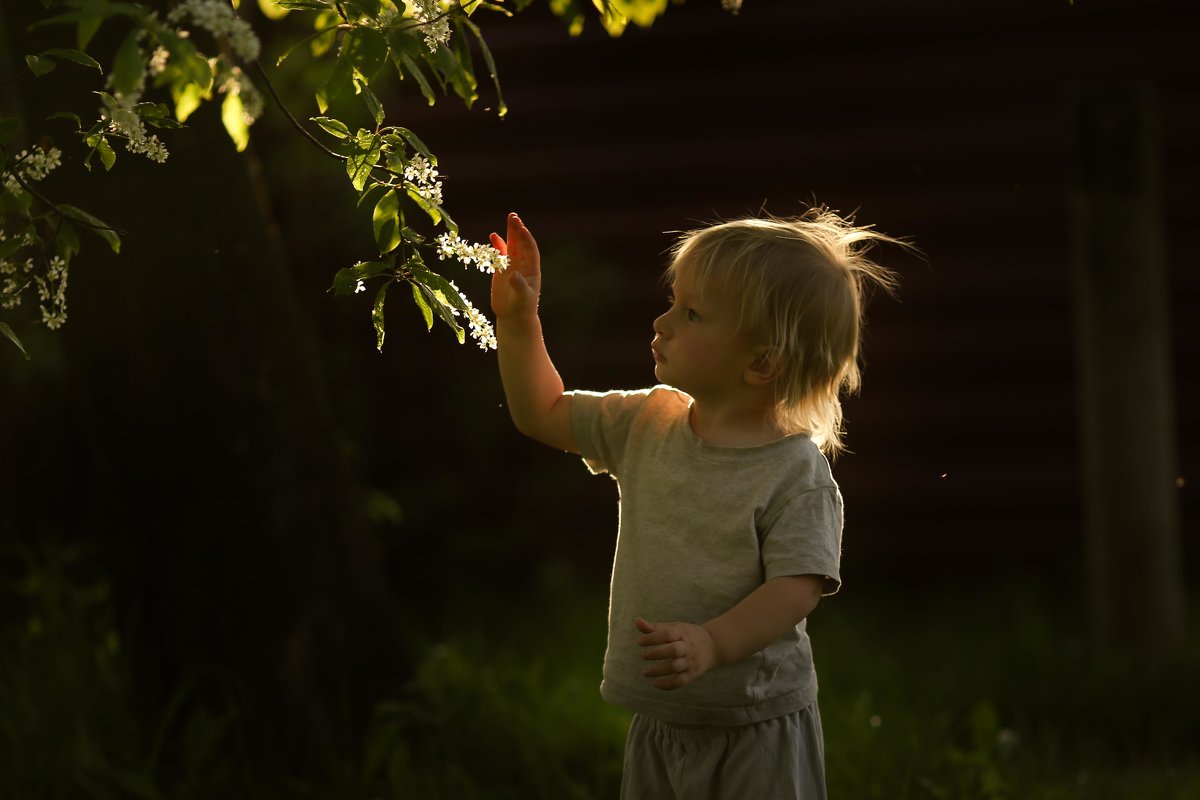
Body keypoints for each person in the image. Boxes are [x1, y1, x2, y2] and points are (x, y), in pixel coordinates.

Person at [489, 207, 901, 800]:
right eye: (672, 302)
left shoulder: (794, 472)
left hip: (756, 728)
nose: (661, 323)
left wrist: (712, 642)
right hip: (661, 719)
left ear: (762, 362)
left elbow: (797, 588)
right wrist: (520, 319)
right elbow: (541, 412)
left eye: (691, 313)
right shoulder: (646, 421)